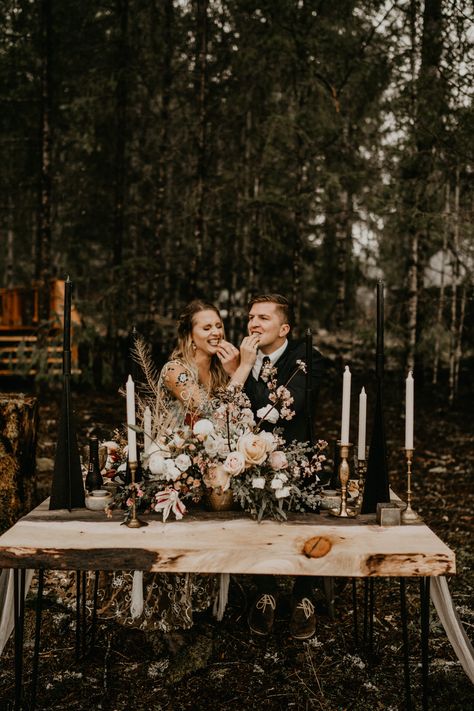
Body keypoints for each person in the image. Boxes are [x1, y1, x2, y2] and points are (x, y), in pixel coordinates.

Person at [95, 300, 252, 633]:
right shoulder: (174, 370)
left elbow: (235, 420)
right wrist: (244, 367)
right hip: (169, 462)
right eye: (206, 327)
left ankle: (200, 602)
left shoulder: (223, 369)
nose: (216, 332)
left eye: (218, 325)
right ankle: (157, 609)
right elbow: (211, 412)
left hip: (206, 462)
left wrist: (236, 367)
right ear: (190, 335)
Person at [240, 293, 325, 640]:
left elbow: (275, 412)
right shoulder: (245, 357)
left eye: (263, 318)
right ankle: (266, 591)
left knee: (310, 524)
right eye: (251, 317)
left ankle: (304, 595)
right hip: (250, 457)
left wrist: (243, 371)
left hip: (299, 458)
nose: (254, 324)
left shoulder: (309, 360)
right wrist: (243, 366)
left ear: (284, 327)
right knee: (252, 522)